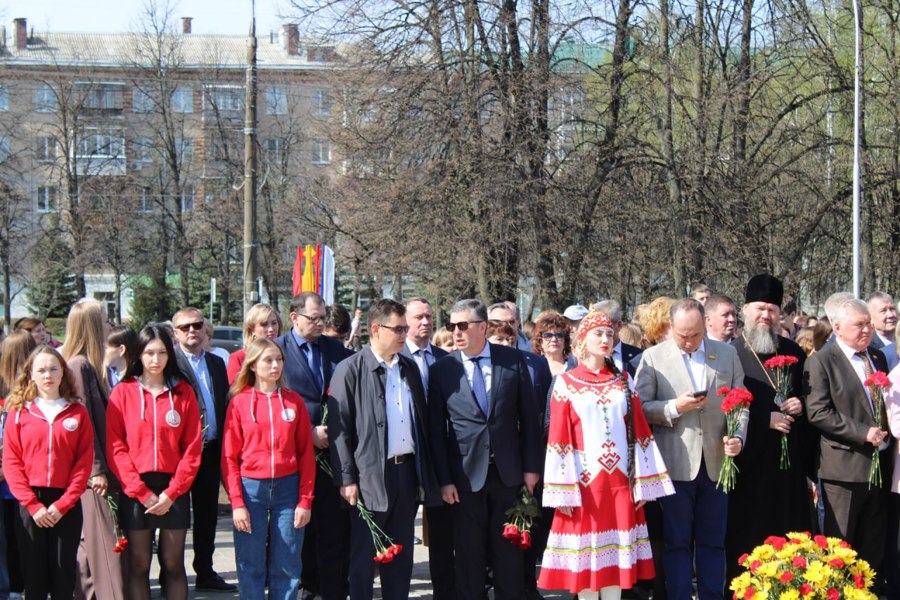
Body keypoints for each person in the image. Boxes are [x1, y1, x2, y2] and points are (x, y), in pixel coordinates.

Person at [538, 312, 674, 600]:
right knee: (588, 566)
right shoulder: (566, 382)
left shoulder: (623, 380)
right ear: (582, 340)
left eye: (609, 334)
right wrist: (563, 490)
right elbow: (558, 439)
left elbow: (640, 431)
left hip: (620, 484)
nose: (605, 339)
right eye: (598, 334)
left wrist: (644, 483)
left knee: (616, 568)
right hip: (586, 485)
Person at [428, 299, 542, 600]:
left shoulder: (512, 360)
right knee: (468, 554)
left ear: (482, 327)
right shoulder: (443, 370)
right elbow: (436, 432)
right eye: (452, 326)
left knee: (509, 554)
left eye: (463, 325)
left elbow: (530, 419)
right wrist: (444, 479)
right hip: (463, 479)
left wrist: (531, 469)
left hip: (508, 474)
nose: (456, 332)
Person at [634, 298, 746, 600]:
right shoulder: (654, 358)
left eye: (695, 335)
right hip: (675, 463)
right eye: (683, 335)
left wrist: (737, 436)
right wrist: (673, 407)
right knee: (677, 542)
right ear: (671, 327)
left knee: (713, 542)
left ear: (704, 325)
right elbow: (639, 409)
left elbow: (740, 403)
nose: (689, 341)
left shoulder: (726, 354)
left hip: (717, 461)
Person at [328, 298, 439, 600]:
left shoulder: (408, 368)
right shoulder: (350, 369)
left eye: (406, 328)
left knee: (400, 555)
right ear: (376, 329)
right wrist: (347, 479)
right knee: (364, 557)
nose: (406, 334)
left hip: (406, 473)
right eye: (399, 328)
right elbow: (339, 431)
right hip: (369, 476)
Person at [725, 274, 813, 582]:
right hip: (750, 468)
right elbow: (725, 409)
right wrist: (766, 420)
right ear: (746, 310)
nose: (766, 315)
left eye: (773, 309)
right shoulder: (731, 354)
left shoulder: (793, 352)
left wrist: (800, 404)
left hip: (788, 471)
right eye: (760, 308)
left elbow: (811, 398)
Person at [106, 325, 203, 600]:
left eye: (161, 353)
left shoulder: (182, 392)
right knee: (138, 565)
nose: (155, 360)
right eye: (149, 353)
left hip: (174, 488)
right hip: (137, 489)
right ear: (139, 354)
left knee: (173, 564)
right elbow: (116, 447)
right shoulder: (123, 392)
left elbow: (192, 448)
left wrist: (172, 492)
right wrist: (141, 493)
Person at [222, 338, 316, 600]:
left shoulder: (294, 402)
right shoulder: (239, 403)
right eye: (268, 360)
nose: (275, 365)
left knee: (287, 563)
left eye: (279, 359)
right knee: (250, 563)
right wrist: (237, 502)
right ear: (252, 365)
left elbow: (306, 455)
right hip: (251, 491)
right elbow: (229, 457)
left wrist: (305, 500)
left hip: (289, 490)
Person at [805, 298, 891, 574]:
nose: (867, 330)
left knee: (872, 547)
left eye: (868, 323)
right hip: (843, 471)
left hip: (879, 467)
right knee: (840, 549)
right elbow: (818, 412)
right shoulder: (821, 361)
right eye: (859, 325)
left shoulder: (876, 357)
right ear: (838, 327)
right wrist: (862, 432)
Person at [276, 292, 353, 600]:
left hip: (332, 455)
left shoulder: (336, 350)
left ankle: (334, 590)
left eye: (323, 317)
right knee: (299, 532)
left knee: (333, 530)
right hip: (292, 457)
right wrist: (307, 432)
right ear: (294, 317)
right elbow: (268, 404)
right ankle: (306, 589)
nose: (321, 323)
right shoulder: (276, 351)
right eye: (314, 318)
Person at [2, 346, 94, 599]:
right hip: (30, 503)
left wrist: (63, 504)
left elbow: (83, 463)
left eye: (53, 369)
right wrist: (33, 505)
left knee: (64, 575)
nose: (48, 375)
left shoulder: (77, 412)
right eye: (41, 370)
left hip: (66, 503)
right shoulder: (20, 412)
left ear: (63, 373)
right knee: (34, 576)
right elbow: (11, 462)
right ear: (31, 374)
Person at [62, 300, 127, 600]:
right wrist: (97, 470)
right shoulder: (79, 366)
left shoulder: (90, 364)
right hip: (95, 478)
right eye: (103, 319)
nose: (109, 324)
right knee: (107, 550)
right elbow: (82, 424)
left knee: (91, 553)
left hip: (97, 475)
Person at [170, 307, 234, 592]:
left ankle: (205, 572)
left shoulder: (217, 362)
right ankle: (172, 575)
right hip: (179, 453)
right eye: (184, 327)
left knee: (207, 515)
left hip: (211, 449)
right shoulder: (170, 364)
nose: (191, 331)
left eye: (196, 325)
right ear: (175, 333)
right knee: (175, 516)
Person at [397, 297, 453, 600]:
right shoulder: (395, 358)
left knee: (443, 534)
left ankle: (444, 591)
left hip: (439, 459)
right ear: (405, 322)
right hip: (405, 458)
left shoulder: (444, 359)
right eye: (419, 317)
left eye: (429, 316)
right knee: (403, 531)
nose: (425, 322)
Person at [0, 331, 36, 600]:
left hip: (10, 476)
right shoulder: (31, 391)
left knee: (10, 537)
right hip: (24, 475)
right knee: (24, 536)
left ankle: (13, 585)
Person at [227, 303, 282, 384]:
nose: (271, 329)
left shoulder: (285, 353)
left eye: (274, 323)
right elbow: (234, 391)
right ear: (252, 329)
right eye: (264, 324)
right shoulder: (239, 358)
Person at [594, 300, 643, 378]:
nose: (603, 338)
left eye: (607, 329)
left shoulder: (639, 357)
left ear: (619, 325)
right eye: (597, 331)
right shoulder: (585, 355)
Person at [531, 312, 575, 376]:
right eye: (548, 335)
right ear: (540, 341)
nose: (554, 339)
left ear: (565, 341)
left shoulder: (575, 367)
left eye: (559, 335)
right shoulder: (533, 368)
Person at [867, 292, 898, 370]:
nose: (891, 315)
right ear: (870, 318)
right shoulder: (868, 347)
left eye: (892, 309)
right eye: (883, 311)